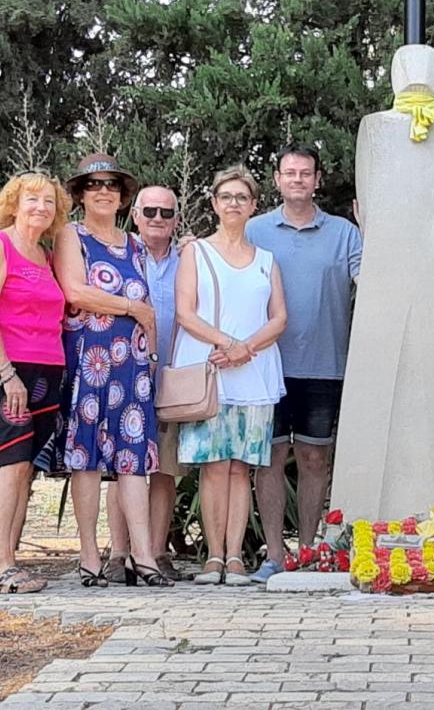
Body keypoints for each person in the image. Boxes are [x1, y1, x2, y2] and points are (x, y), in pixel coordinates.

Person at [246, 143, 361, 584]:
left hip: (325, 364)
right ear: (276, 179)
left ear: (317, 179)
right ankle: (275, 554)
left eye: (305, 173)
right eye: (289, 172)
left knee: (315, 458)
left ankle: (310, 551)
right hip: (265, 364)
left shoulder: (345, 233)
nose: (297, 180)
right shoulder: (254, 231)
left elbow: (369, 278)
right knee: (269, 459)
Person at [53, 154, 169, 587]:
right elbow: (76, 291)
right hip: (90, 362)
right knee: (85, 459)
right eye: (94, 184)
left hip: (133, 366)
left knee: (133, 460)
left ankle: (143, 556)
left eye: (113, 185)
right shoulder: (72, 235)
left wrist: (152, 357)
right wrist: (129, 307)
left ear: (123, 197)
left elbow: (151, 314)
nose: (104, 191)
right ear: (81, 194)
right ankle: (88, 557)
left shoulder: (135, 244)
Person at [173, 165, 286, 586]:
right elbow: (185, 312)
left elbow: (280, 317)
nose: (234, 204)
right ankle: (213, 557)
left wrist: (246, 349)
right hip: (212, 373)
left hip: (254, 374)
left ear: (254, 205)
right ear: (214, 204)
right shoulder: (196, 252)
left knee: (242, 468)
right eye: (226, 197)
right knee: (213, 466)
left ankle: (236, 556)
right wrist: (227, 344)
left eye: (242, 197)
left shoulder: (266, 261)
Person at [104, 186, 185, 582]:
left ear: (176, 220)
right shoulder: (119, 254)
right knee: (123, 466)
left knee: (165, 469)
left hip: (171, 375)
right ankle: (119, 554)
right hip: (124, 373)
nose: (157, 218)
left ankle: (154, 551)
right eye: (149, 210)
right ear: (134, 214)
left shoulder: (190, 259)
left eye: (166, 213)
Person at [0, 171, 69, 594]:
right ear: (15, 203)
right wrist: (7, 375)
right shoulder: (3, 245)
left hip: (48, 372)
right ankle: (3, 564)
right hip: (13, 373)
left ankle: (11, 560)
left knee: (25, 470)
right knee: (9, 466)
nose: (41, 207)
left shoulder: (45, 255)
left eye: (48, 202)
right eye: (32, 199)